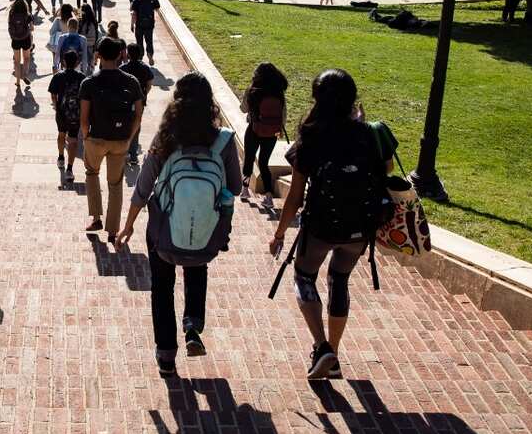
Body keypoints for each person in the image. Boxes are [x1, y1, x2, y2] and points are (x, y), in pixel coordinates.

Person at [117, 71, 242, 377]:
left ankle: (166, 356)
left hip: (163, 230)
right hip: (205, 232)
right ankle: (192, 326)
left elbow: (143, 189)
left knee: (162, 287)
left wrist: (128, 225)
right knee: (197, 268)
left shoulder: (165, 139)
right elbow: (236, 187)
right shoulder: (224, 141)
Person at [269, 69, 386, 380]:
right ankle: (333, 355)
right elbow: (385, 171)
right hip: (360, 227)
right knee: (339, 280)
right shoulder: (369, 134)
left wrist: (279, 233)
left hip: (321, 224)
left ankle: (322, 346)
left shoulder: (311, 136)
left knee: (304, 277)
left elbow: (294, 196)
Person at [80, 37, 144, 239]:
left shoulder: (89, 82)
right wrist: (129, 138)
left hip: (96, 138)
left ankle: (96, 217)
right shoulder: (131, 81)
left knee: (92, 173)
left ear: (98, 54)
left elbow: (83, 118)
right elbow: (138, 115)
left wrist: (86, 136)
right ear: (119, 55)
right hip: (120, 140)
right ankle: (113, 228)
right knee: (115, 184)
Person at [239, 62, 288, 208]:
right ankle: (268, 196)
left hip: (254, 130)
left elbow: (243, 109)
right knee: (264, 163)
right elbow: (284, 115)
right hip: (272, 132)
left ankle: (245, 189)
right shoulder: (279, 92)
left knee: (248, 159)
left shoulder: (253, 90)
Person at [49, 48, 87, 184]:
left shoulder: (58, 76)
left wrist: (56, 107)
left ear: (64, 62)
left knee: (61, 135)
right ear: (77, 62)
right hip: (75, 115)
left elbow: (53, 95)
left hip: (61, 112)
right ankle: (70, 169)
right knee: (73, 140)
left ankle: (60, 157)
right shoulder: (82, 77)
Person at [120, 43, 154, 166]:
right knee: (136, 126)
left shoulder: (123, 68)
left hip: (126, 102)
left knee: (125, 126)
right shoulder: (145, 68)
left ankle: (125, 152)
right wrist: (144, 95)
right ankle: (133, 155)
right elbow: (150, 83)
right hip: (139, 102)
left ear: (128, 54)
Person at [8, 0, 35, 89]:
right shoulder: (27, 15)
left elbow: (10, 26)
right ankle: (24, 75)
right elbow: (32, 28)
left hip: (15, 39)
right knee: (27, 58)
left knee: (17, 61)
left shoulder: (11, 14)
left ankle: (18, 81)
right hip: (26, 39)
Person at [130, 0, 160, 66]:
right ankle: (150, 56)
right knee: (149, 41)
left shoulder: (137, 0)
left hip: (139, 25)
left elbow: (133, 14)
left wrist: (132, 25)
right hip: (149, 25)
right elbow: (157, 10)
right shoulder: (154, 0)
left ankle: (140, 58)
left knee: (139, 42)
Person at [47, 2, 72, 72]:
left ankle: (55, 77)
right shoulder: (72, 21)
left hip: (56, 44)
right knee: (66, 63)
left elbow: (51, 32)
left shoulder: (58, 20)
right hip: (68, 45)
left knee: (55, 63)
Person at [78, 3, 100, 73]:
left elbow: (79, 32)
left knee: (83, 61)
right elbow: (96, 33)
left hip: (83, 43)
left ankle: (84, 73)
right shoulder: (94, 20)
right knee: (91, 61)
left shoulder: (81, 20)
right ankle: (90, 73)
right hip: (92, 43)